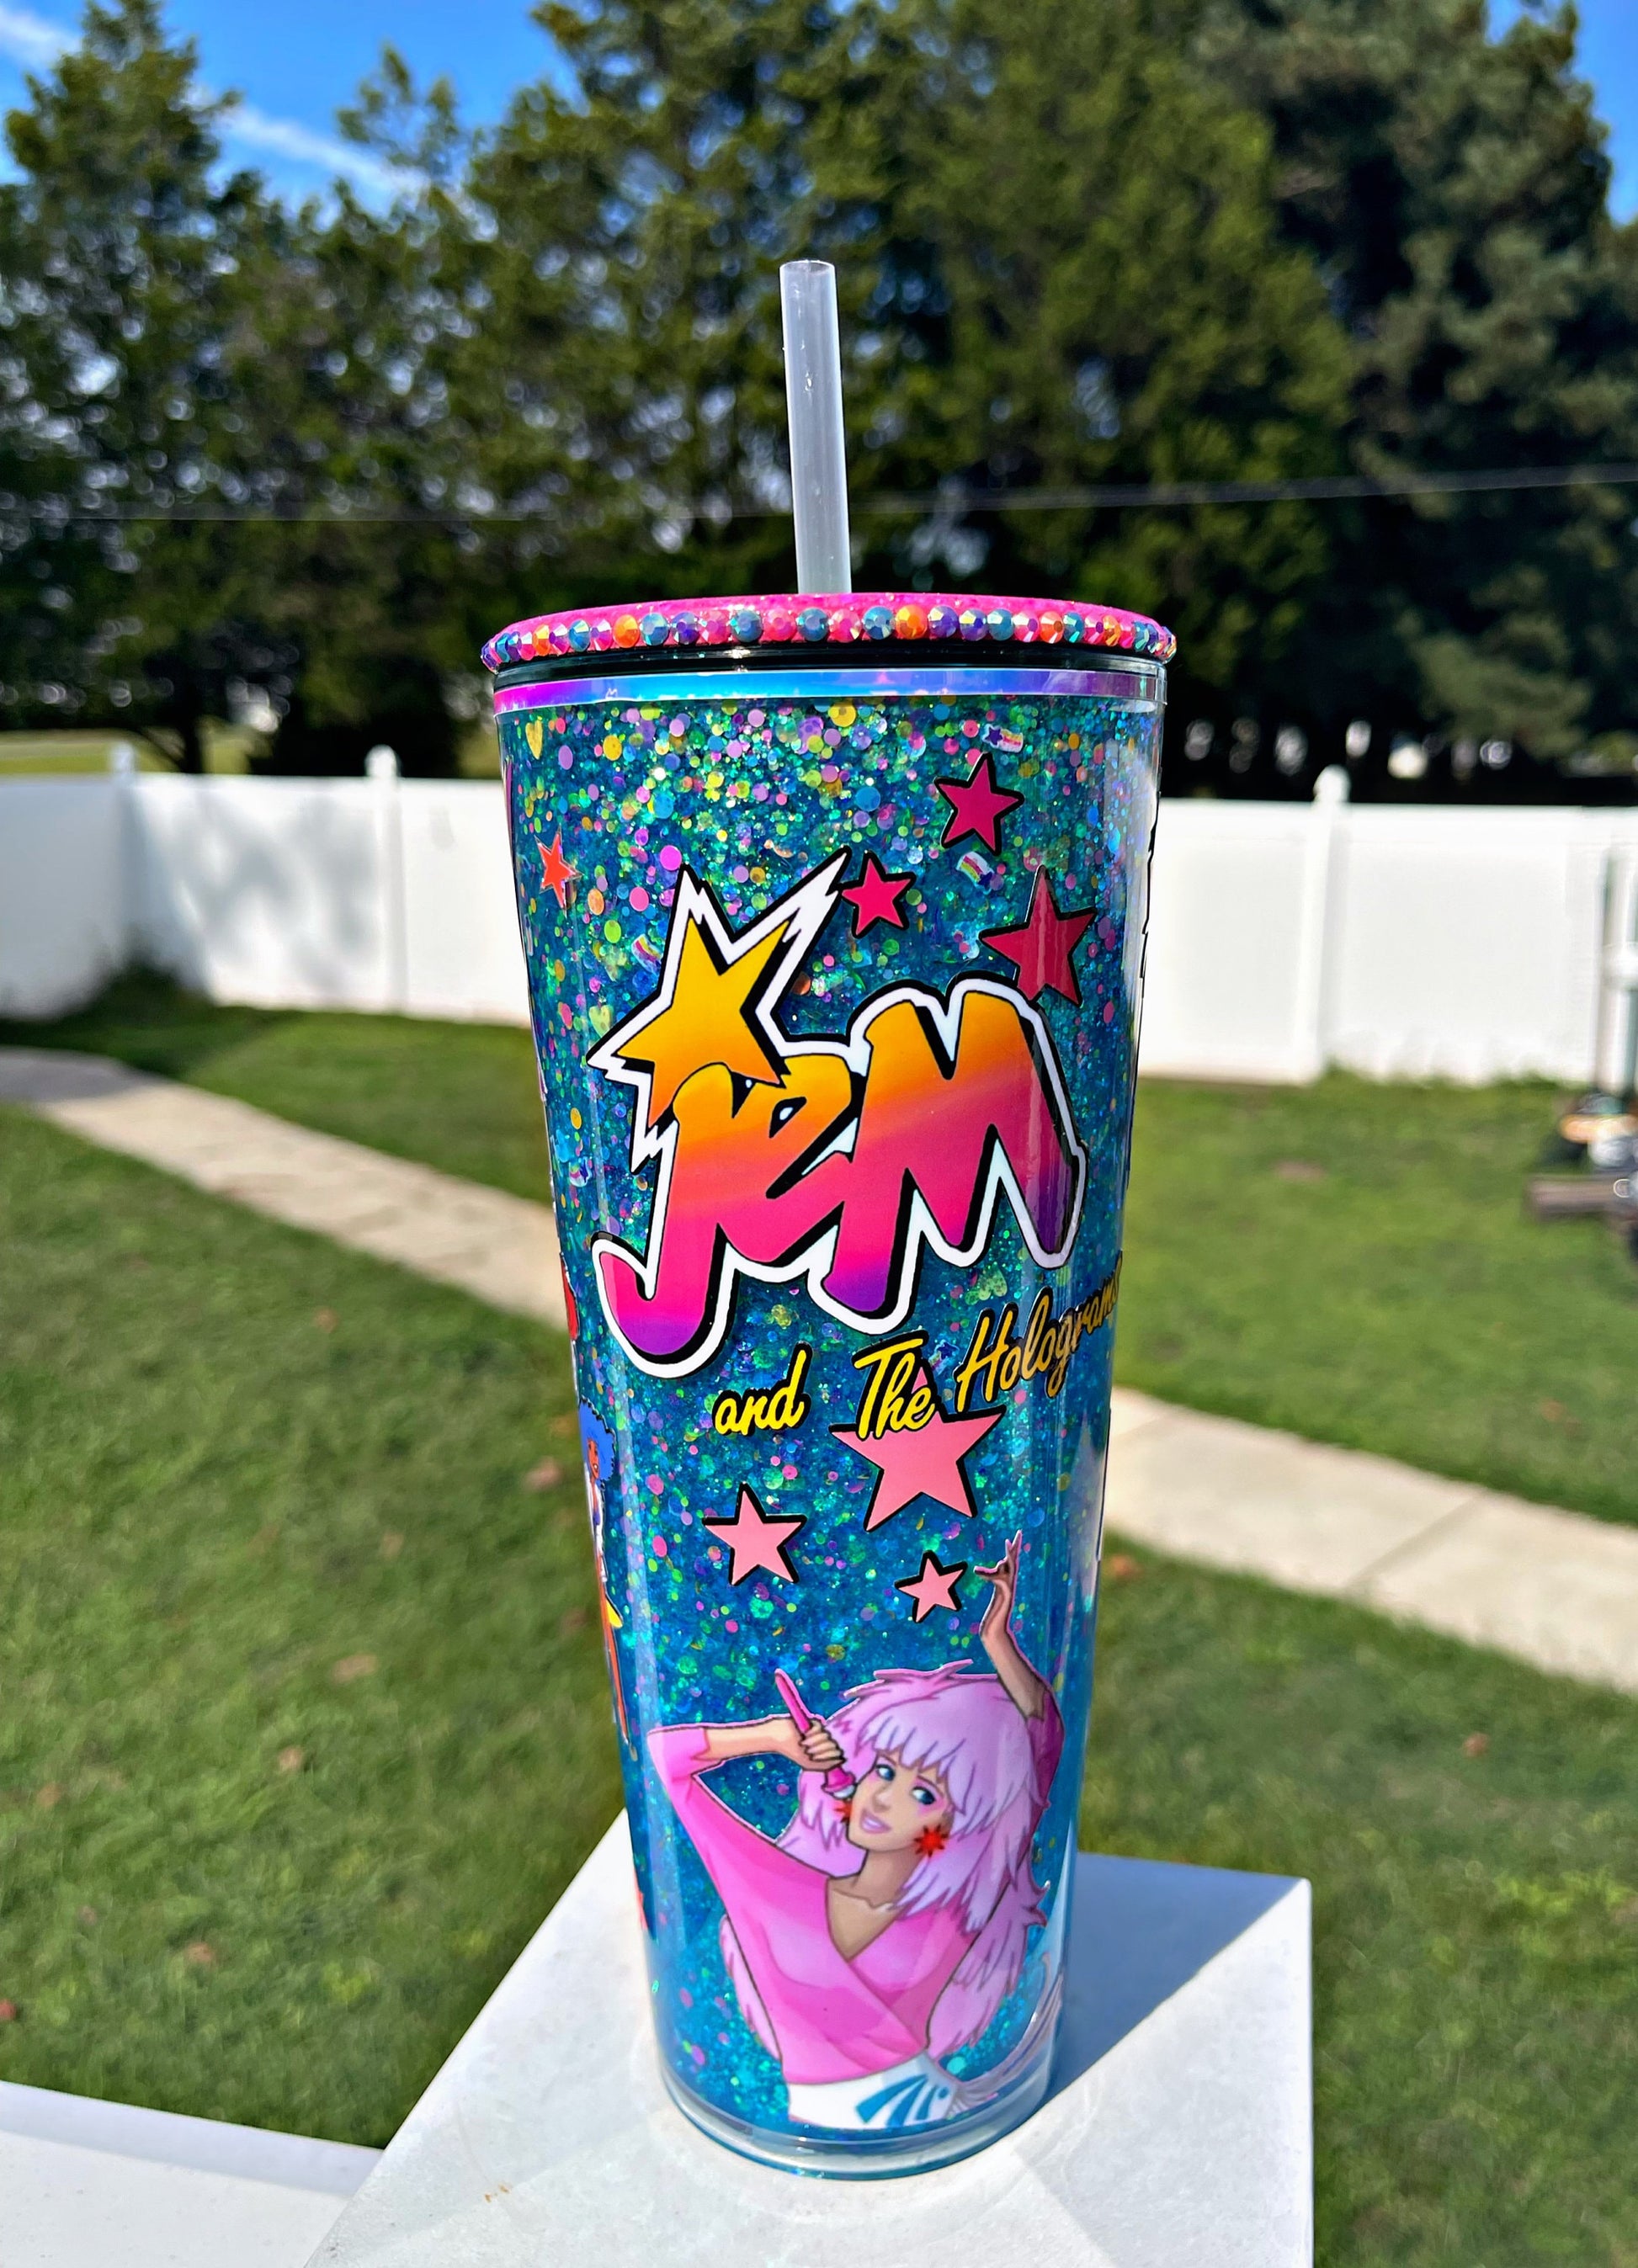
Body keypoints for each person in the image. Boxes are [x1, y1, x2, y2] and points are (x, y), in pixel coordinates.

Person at [648, 1534, 1063, 2133]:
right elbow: (662, 1759)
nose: (885, 1796)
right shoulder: (772, 1890)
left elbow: (1037, 1750)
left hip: (935, 2110)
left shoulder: (954, 1914)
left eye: (924, 1794)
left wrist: (997, 1640)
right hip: (795, 2129)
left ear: (954, 1823)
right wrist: (770, 1736)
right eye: (885, 1771)